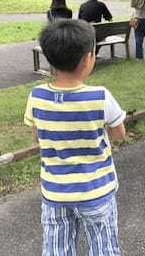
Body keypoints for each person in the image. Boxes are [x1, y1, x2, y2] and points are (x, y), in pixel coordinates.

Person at [24, 19, 126, 255]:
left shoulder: (37, 96)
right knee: (103, 247)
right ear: (88, 58)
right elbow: (119, 133)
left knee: (57, 248)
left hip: (55, 194)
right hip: (96, 191)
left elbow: (37, 136)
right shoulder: (100, 96)